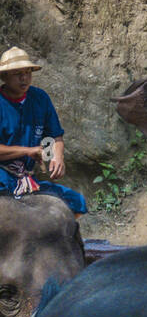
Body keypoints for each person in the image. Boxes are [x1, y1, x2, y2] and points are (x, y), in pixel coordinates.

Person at [0, 47, 86, 214]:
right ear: (4, 77)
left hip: (27, 179)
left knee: (76, 202)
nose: (24, 78)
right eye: (17, 73)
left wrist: (57, 156)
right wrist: (27, 151)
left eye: (27, 72)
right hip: (2, 177)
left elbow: (56, 135)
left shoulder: (40, 98)